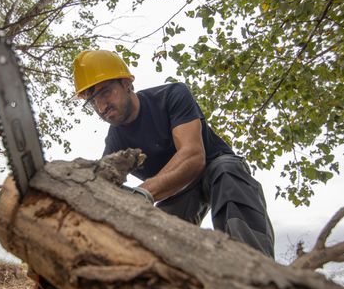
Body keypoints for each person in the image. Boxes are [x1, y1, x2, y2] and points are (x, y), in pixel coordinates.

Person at [73, 50, 275, 258]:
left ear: (126, 83)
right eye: (92, 101)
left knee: (228, 172)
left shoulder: (171, 95)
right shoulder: (114, 141)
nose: (101, 106)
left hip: (213, 166)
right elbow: (101, 191)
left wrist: (140, 194)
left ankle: (257, 272)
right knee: (151, 240)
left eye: (105, 92)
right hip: (175, 192)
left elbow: (193, 156)